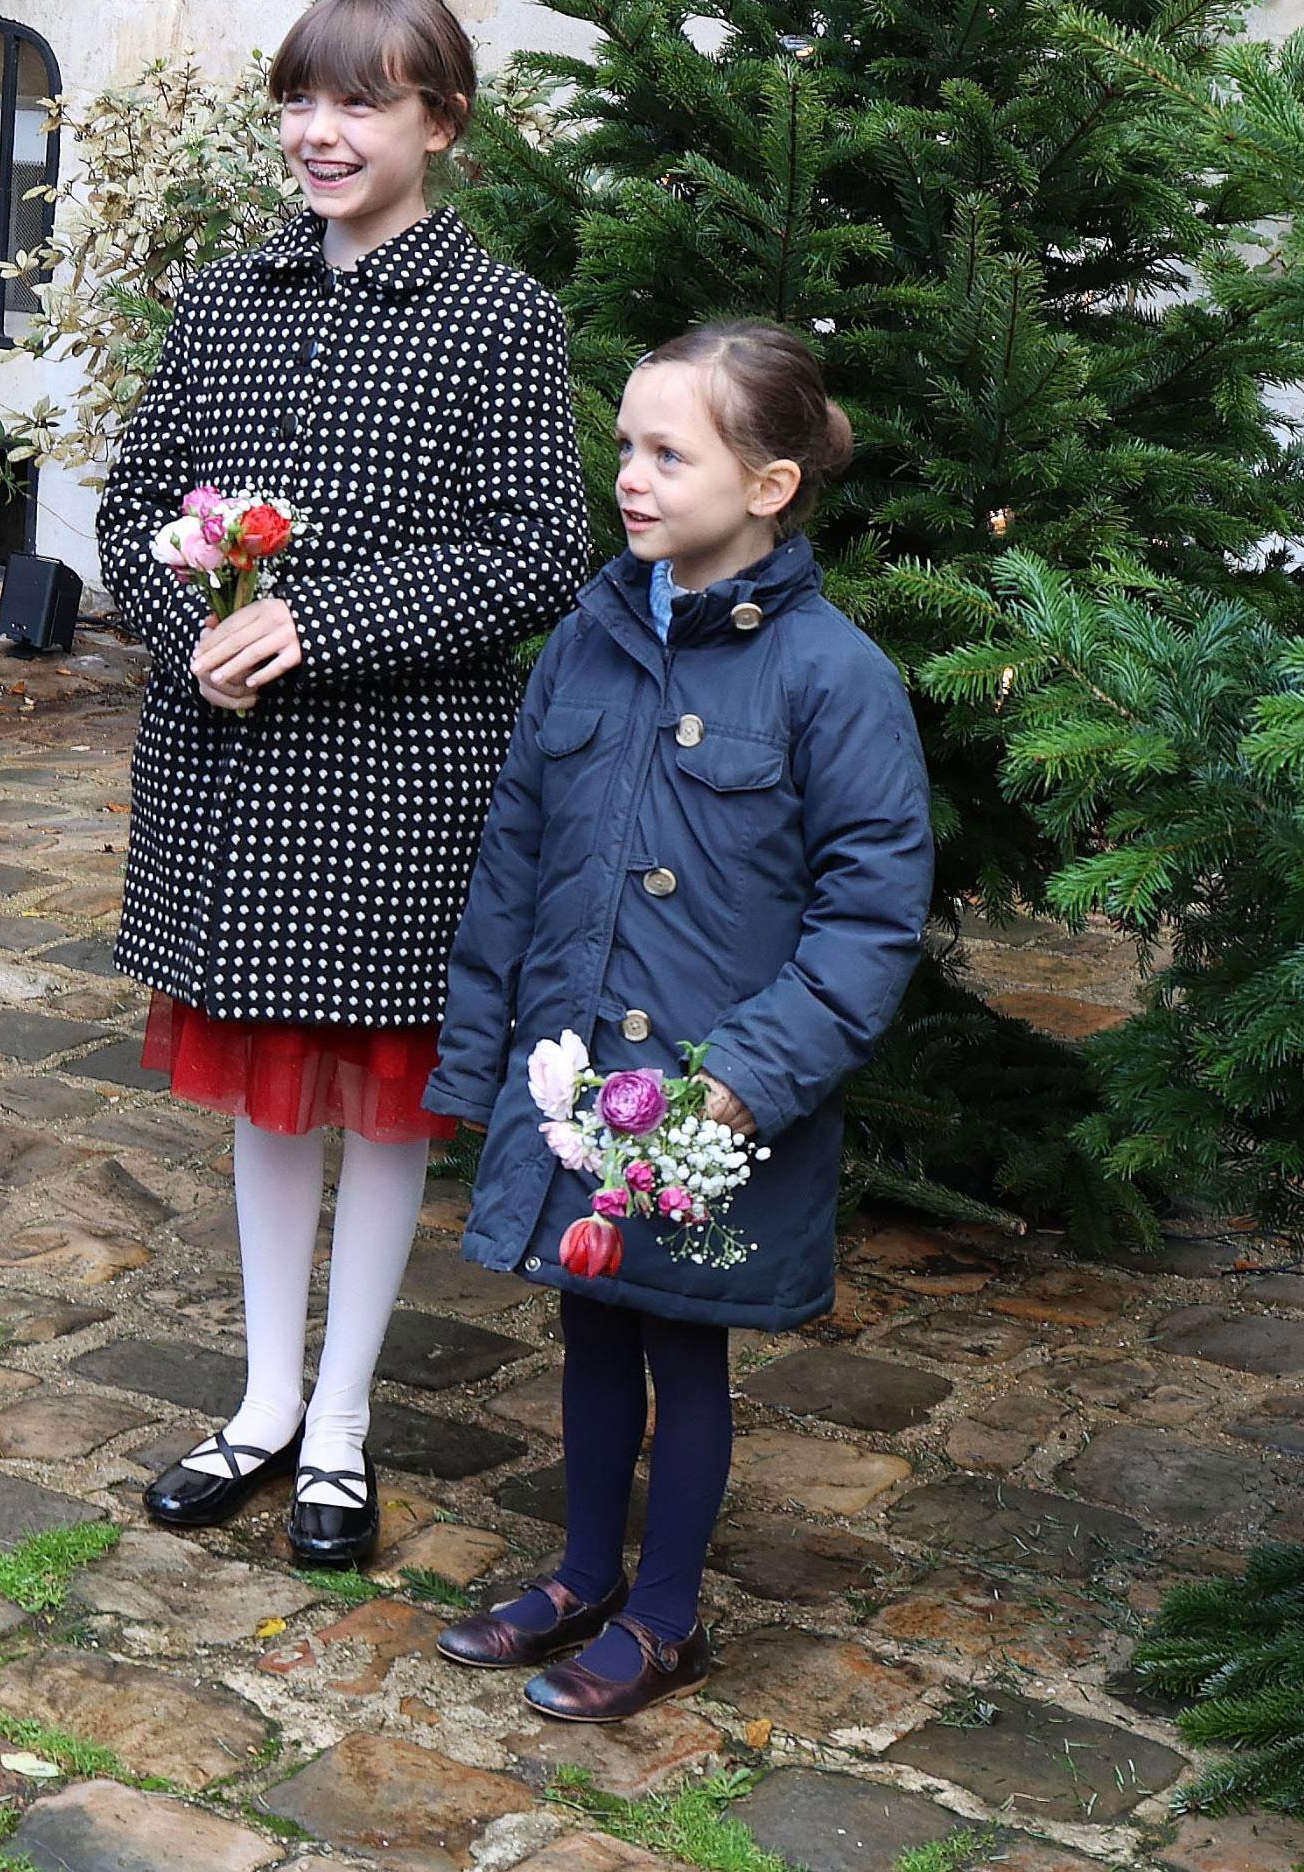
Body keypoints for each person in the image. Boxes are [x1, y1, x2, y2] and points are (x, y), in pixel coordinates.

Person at [100, 0, 583, 1568]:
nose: (319, 132)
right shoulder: (229, 298)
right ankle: (258, 1397)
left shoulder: (499, 315)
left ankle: (344, 1422)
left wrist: (317, 621)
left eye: (360, 103)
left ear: (436, 121)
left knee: (376, 1107)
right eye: (301, 100)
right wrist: (198, 631)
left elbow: (534, 550)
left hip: (391, 770)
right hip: (228, 772)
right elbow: (129, 510)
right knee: (262, 1098)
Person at [422, 322, 931, 1722]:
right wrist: (481, 1054)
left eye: (667, 452)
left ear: (766, 485)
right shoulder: (584, 643)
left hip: (705, 1097)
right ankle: (585, 1569)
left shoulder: (834, 676)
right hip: (579, 1065)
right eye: (625, 448)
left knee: (678, 1333)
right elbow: (513, 860)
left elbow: (867, 918)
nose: (629, 478)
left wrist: (748, 1081)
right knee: (590, 1313)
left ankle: (664, 1613)